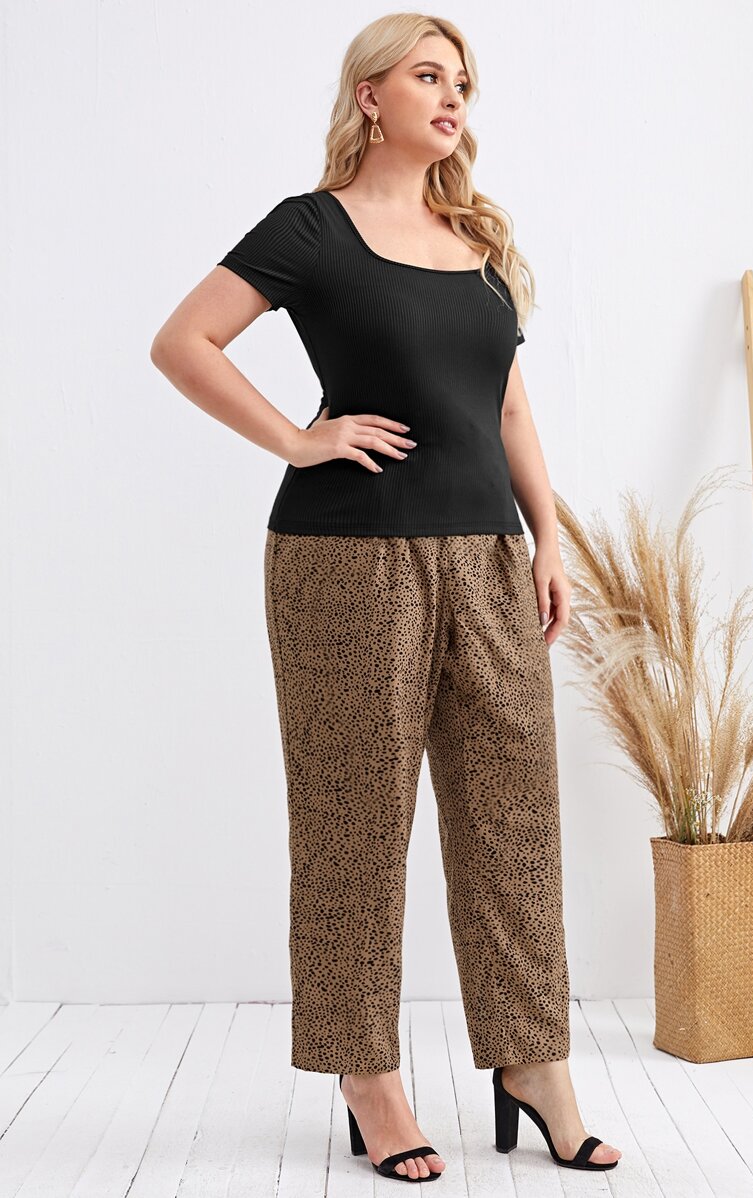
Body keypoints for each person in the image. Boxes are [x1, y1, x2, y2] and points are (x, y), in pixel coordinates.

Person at [150, 10, 622, 1184]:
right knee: (353, 822)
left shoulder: (477, 239)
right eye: (427, 76)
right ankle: (368, 1076)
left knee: (514, 817)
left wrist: (548, 535)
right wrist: (297, 438)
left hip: (487, 552)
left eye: (462, 82)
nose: (453, 98)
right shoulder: (309, 229)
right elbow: (185, 340)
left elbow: (506, 405)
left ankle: (534, 1062)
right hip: (345, 560)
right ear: (370, 96)